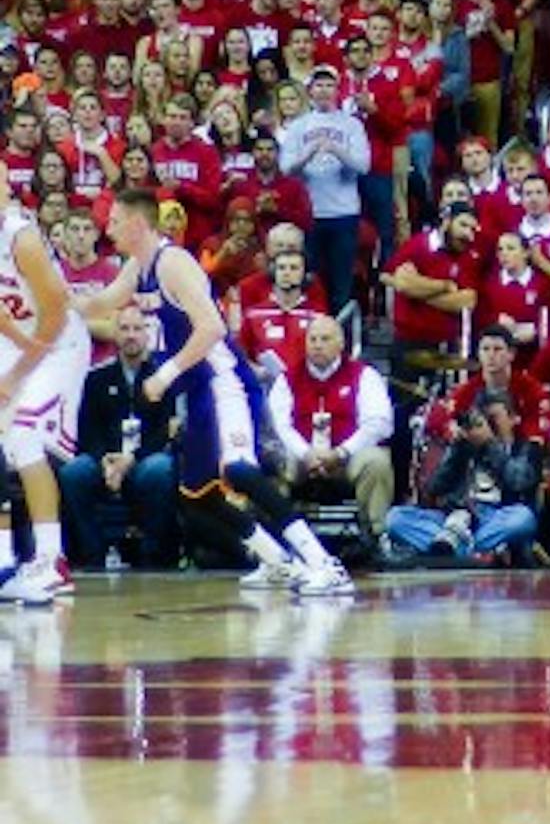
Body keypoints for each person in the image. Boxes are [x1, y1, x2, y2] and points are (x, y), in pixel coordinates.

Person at [84, 184, 353, 595]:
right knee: (197, 494)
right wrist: (45, 299)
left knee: (239, 471)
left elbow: (211, 327)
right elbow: (102, 301)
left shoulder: (172, 262)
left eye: (115, 221)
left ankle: (322, 561)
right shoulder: (137, 265)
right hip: (197, 390)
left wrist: (164, 375)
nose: (108, 228)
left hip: (223, 381)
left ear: (138, 224)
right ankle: (277, 560)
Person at [0, 194, 94, 603]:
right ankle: (6, 560)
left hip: (58, 344)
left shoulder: (20, 238)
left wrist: (15, 376)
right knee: (8, 447)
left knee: (25, 438)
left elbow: (55, 314)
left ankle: (52, 560)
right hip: (16, 343)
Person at [57, 300, 179, 570]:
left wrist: (131, 460)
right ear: (115, 334)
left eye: (137, 328)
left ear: (148, 334)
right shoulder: (95, 379)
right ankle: (90, 555)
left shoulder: (162, 377)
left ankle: (153, 556)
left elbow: (165, 432)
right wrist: (106, 460)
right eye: (124, 328)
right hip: (106, 459)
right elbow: (87, 429)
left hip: (144, 459)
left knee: (160, 469)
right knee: (74, 472)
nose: (131, 335)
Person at [265, 313, 396, 551]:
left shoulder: (364, 375)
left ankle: (375, 537)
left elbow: (379, 423)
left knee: (377, 461)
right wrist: (307, 454)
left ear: (341, 343)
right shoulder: (287, 380)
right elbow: (278, 426)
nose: (317, 345)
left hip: (347, 459)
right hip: (302, 459)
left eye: (325, 339)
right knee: (271, 461)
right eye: (312, 339)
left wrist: (342, 452)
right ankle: (276, 538)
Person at [384, 382, 544, 567]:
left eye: (494, 418)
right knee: (395, 518)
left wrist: (491, 445)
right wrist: (458, 450)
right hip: (455, 517)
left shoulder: (526, 448)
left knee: (523, 518)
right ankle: (468, 552)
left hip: (494, 519)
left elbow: (518, 482)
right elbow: (434, 488)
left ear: (513, 419)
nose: (488, 425)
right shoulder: (466, 447)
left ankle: (451, 550)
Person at [276, 64, 372, 319]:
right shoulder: (299, 127)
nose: (324, 90)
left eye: (329, 85)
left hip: (344, 213)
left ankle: (341, 339)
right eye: (319, 85)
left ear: (337, 89)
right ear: (309, 90)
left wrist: (336, 150)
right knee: (312, 281)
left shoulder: (351, 125)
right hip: (310, 214)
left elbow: (364, 166)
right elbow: (286, 168)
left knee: (342, 283)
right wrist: (307, 155)